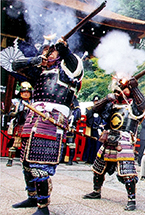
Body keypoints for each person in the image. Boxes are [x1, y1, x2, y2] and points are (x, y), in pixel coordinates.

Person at [11, 37, 84, 215]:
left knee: (40, 166)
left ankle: (43, 208)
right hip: (32, 119)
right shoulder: (39, 72)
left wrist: (63, 49)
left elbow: (75, 67)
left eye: (51, 51)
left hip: (51, 121)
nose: (47, 53)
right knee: (26, 163)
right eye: (46, 51)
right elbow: (14, 66)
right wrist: (37, 59)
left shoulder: (67, 70)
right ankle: (32, 197)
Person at [83, 76, 145, 211]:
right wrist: (107, 98)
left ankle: (131, 199)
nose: (123, 90)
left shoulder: (134, 104)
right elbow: (94, 110)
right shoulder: (112, 103)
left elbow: (143, 105)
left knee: (127, 171)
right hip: (108, 136)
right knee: (98, 167)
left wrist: (135, 87)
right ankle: (96, 191)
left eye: (126, 88)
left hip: (124, 138)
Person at [6, 81, 33, 167]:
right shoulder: (16, 102)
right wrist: (16, 113)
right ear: (20, 93)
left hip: (29, 124)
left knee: (28, 144)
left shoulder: (33, 102)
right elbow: (10, 113)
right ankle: (10, 159)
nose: (25, 94)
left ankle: (26, 161)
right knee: (15, 143)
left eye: (27, 92)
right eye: (23, 92)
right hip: (19, 123)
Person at [82, 95, 103, 164]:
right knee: (89, 144)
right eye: (95, 101)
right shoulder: (89, 109)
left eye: (97, 101)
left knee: (97, 144)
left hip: (98, 129)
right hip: (91, 128)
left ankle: (96, 159)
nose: (96, 102)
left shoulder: (102, 109)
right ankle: (88, 158)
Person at [64, 97, 81, 165]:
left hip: (71, 128)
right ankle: (63, 159)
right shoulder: (67, 109)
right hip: (65, 128)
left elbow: (77, 118)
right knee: (63, 144)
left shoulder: (76, 110)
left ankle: (70, 160)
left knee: (71, 145)